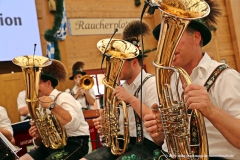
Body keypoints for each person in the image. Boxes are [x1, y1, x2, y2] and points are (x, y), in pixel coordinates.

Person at [143, 6, 240, 160]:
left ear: (196, 38)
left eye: (173, 38)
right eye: (163, 41)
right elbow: (161, 141)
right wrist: (159, 130)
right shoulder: (169, 80)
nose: (166, 47)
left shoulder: (225, 77)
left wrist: (211, 110)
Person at [81, 20, 160, 160]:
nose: (114, 68)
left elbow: (156, 121)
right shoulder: (121, 88)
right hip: (122, 142)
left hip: (146, 145)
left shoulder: (151, 83)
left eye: (119, 63)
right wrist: (107, 123)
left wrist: (131, 99)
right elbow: (119, 124)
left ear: (134, 62)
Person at [20, 59, 90, 160]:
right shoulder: (39, 105)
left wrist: (52, 106)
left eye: (36, 83)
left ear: (48, 83)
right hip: (50, 146)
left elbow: (74, 125)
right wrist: (38, 135)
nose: (33, 88)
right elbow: (40, 142)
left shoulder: (63, 96)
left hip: (74, 142)